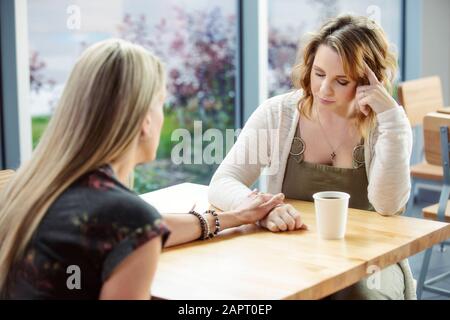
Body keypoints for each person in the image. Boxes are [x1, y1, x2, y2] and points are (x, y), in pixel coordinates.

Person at [0, 39, 285, 300]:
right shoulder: (128, 220)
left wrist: (234, 217)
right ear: (145, 122)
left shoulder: (29, 188)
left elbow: (137, 227)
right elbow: (133, 227)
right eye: (161, 104)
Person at [208, 15, 416, 300]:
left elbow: (389, 206)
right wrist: (263, 209)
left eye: (341, 81)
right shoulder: (278, 114)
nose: (324, 90)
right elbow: (224, 181)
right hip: (293, 256)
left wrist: (391, 119)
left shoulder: (387, 125)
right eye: (319, 74)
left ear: (371, 81)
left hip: (369, 259)